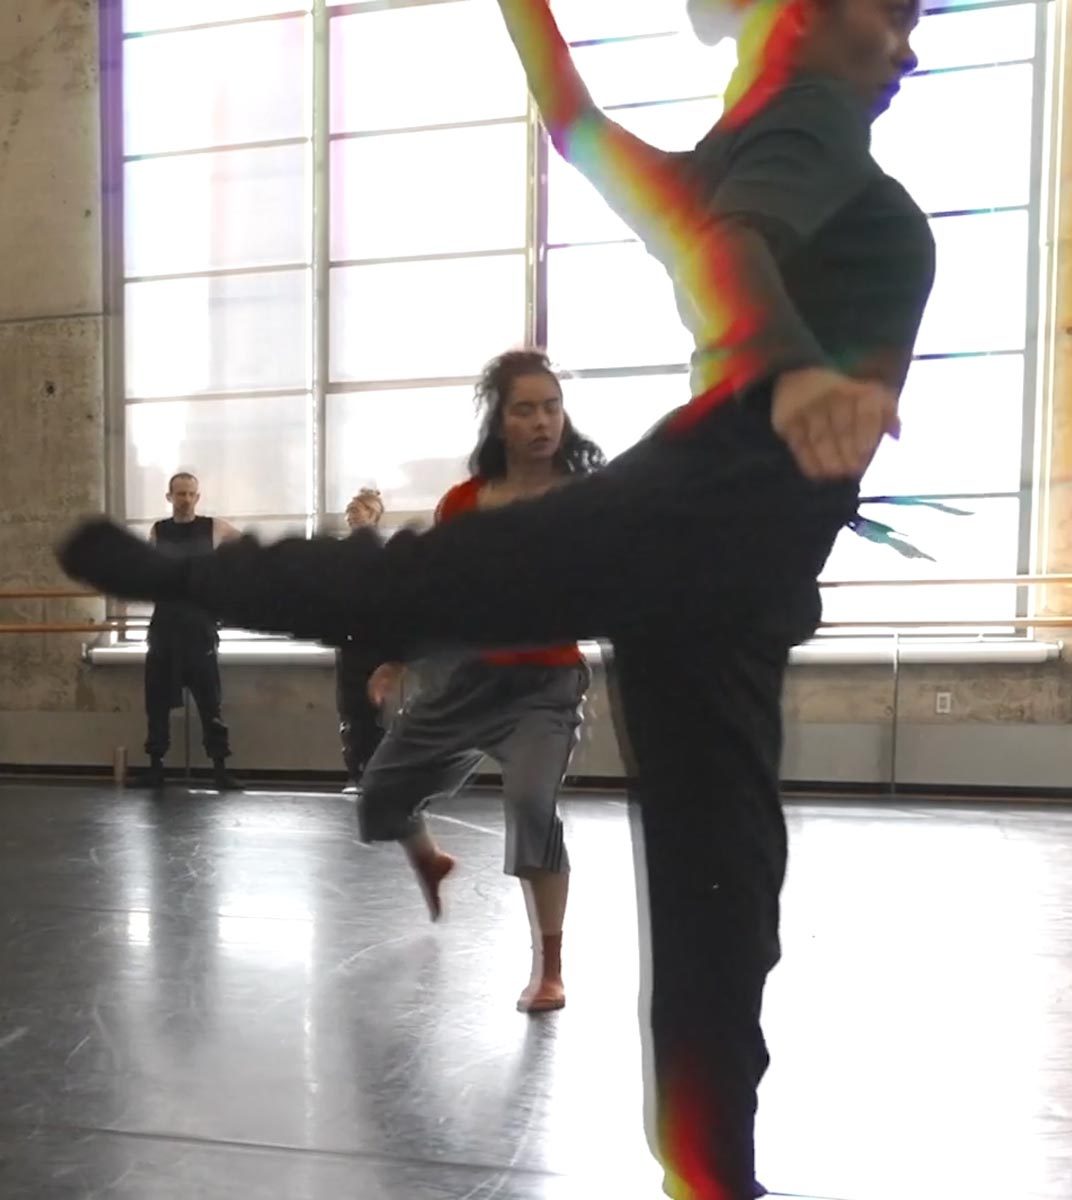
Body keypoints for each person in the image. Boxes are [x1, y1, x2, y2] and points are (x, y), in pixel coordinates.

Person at [58, 2, 933, 1196]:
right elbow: (736, 241)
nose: (906, 46)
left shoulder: (718, 160)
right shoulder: (806, 122)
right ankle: (177, 569)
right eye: (889, 14)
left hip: (735, 590)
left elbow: (574, 124)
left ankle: (712, 1173)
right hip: (701, 524)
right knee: (711, 899)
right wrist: (786, 366)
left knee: (723, 902)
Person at [360, 350, 602, 1013]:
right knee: (379, 794)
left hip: (545, 688)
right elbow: (439, 597)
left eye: (551, 407)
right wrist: (399, 658)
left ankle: (548, 966)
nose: (541, 421)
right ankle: (429, 857)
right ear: (500, 422)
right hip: (469, 682)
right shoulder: (463, 504)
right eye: (524, 409)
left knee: (530, 805)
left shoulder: (586, 500)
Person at [143, 472, 241, 791]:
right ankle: (156, 767)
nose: (185, 499)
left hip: (199, 627)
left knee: (210, 701)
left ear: (198, 497)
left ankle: (219, 768)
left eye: (190, 494)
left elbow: (250, 555)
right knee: (156, 700)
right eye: (180, 493)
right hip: (165, 627)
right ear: (169, 497)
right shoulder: (158, 531)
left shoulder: (215, 527)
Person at [336, 487, 388, 791]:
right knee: (350, 710)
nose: (350, 517)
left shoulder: (382, 554)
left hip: (374, 643)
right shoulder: (343, 554)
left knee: (371, 712)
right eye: (348, 512)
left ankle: (374, 773)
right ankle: (356, 773)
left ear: (372, 515)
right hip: (349, 641)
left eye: (355, 511)